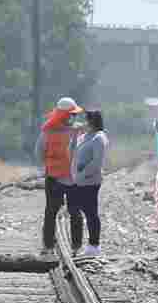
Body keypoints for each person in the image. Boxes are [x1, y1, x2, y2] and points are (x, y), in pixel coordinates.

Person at [35, 96, 81, 255]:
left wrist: (49, 165)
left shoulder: (47, 131)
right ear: (65, 115)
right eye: (72, 114)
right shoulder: (76, 131)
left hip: (58, 178)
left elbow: (39, 152)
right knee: (70, 212)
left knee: (53, 211)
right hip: (67, 178)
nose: (75, 117)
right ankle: (72, 247)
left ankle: (50, 246)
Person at [68, 108, 109, 260]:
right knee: (73, 210)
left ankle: (94, 245)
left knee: (90, 212)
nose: (83, 122)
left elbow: (97, 162)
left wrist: (82, 175)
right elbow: (71, 152)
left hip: (90, 181)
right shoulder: (84, 136)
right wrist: (73, 136)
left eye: (86, 119)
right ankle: (76, 244)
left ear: (93, 121)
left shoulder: (99, 138)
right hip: (77, 181)